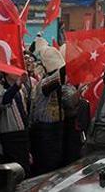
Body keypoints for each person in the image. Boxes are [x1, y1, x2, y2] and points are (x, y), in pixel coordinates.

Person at [29, 43, 77, 176]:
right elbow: (58, 77)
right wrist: (71, 63)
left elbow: (70, 100)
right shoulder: (44, 84)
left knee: (56, 167)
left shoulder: (61, 87)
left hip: (58, 130)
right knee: (46, 169)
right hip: (45, 132)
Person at [0, 72, 32, 176]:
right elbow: (4, 99)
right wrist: (16, 85)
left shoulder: (20, 89)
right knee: (15, 175)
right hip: (9, 139)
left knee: (26, 172)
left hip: (22, 137)